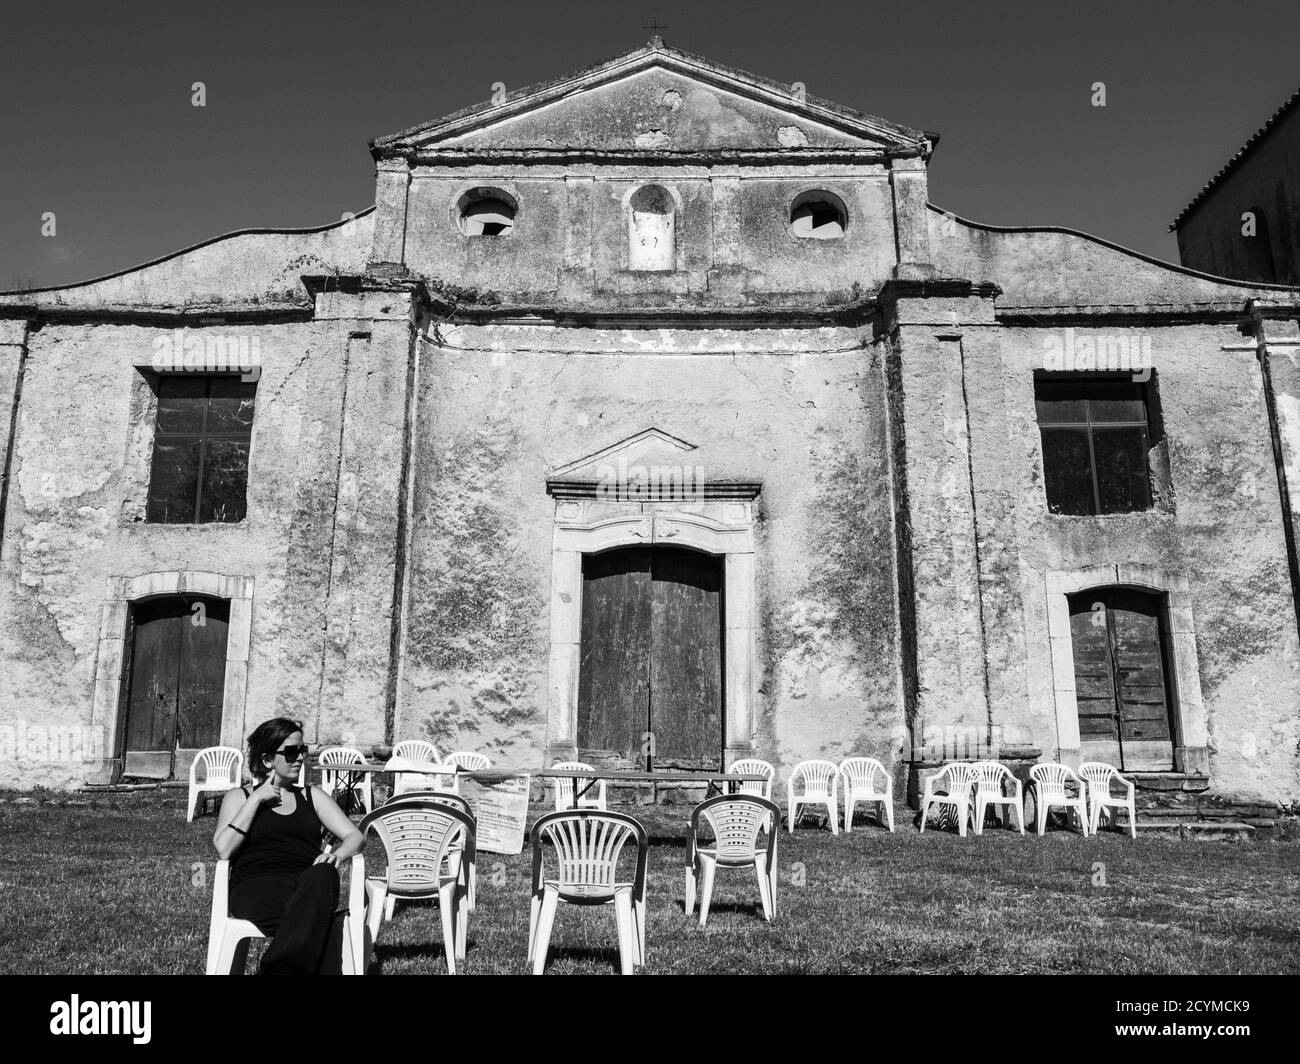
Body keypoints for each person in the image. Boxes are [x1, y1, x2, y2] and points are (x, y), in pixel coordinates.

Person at [213, 718, 365, 974]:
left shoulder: (311, 795)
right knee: (320, 921)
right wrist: (256, 800)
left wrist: (337, 855)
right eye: (292, 752)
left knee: (325, 874)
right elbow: (224, 849)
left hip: (307, 885)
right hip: (256, 887)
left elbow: (355, 837)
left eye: (302, 751)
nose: (300, 758)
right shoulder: (239, 797)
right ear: (267, 760)